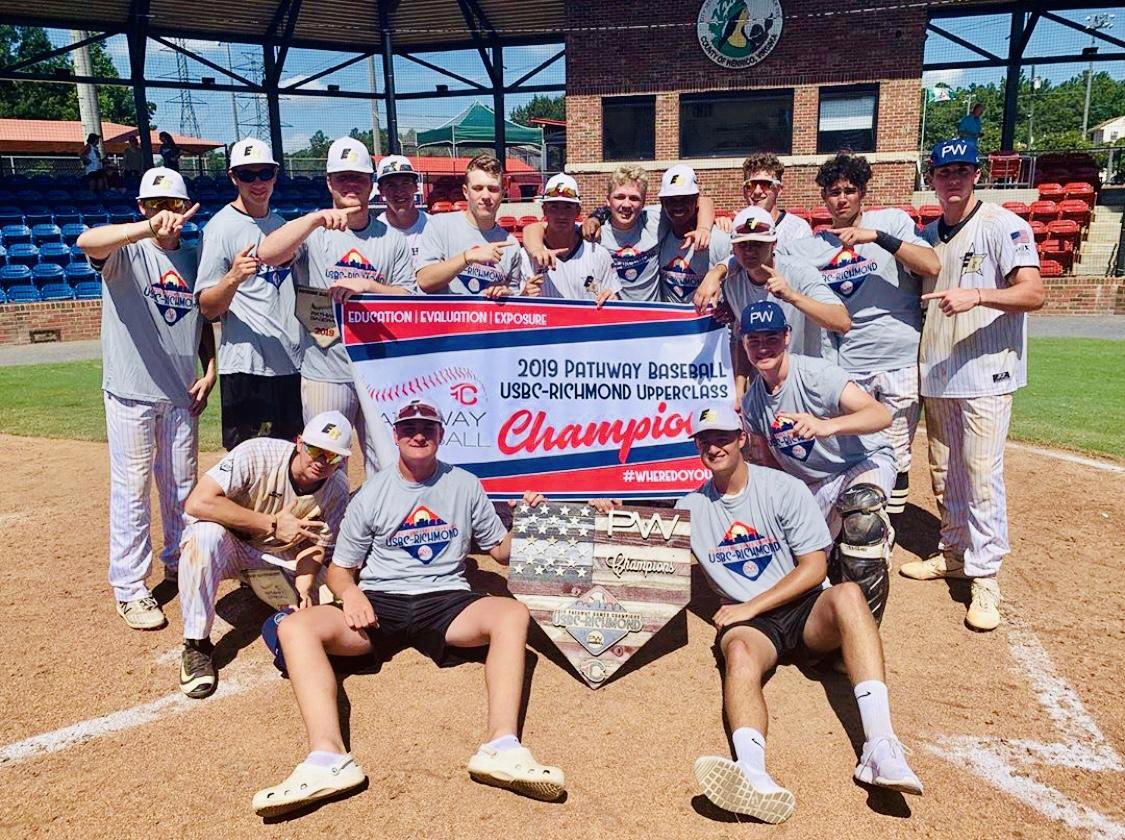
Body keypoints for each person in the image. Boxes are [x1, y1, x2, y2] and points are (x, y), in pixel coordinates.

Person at [252, 398, 564, 817]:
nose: (419, 435)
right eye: (410, 428)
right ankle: (328, 759)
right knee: (295, 629)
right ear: (396, 435)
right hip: (382, 601)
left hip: (447, 600)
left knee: (512, 614)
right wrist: (352, 594)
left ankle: (502, 747)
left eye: (428, 428)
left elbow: (501, 552)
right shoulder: (373, 493)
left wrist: (529, 520)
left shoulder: (466, 485)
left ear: (440, 435)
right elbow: (341, 570)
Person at [675, 403, 922, 823]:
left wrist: (749, 605)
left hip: (801, 609)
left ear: (741, 440)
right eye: (705, 440)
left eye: (722, 437)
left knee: (847, 595)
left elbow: (814, 568)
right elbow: (645, 545)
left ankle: (880, 747)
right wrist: (609, 516)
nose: (713, 446)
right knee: (737, 655)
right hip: (752, 626)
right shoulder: (691, 507)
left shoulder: (782, 488)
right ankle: (751, 773)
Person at [899, 139, 1044, 632]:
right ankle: (955, 551)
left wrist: (978, 294)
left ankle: (985, 575)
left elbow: (1034, 292)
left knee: (981, 472)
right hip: (939, 371)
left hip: (987, 371)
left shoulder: (1004, 225)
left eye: (962, 170)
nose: (953, 179)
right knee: (944, 471)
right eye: (944, 172)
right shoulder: (929, 236)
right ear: (932, 179)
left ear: (977, 175)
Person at [76, 167, 216, 630]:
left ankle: (179, 561)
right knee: (132, 488)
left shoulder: (194, 257)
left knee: (180, 487)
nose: (164, 215)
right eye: (154, 206)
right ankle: (131, 587)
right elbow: (86, 242)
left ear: (186, 208)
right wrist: (146, 229)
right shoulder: (124, 252)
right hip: (130, 392)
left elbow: (203, 321)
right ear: (141, 208)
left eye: (172, 206)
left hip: (179, 393)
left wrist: (210, 369)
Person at [782, 153, 940, 518]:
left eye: (849, 191)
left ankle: (883, 533)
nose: (841, 199)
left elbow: (931, 264)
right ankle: (861, 528)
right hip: (846, 364)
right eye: (833, 192)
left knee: (897, 451)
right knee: (856, 449)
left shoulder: (891, 222)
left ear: (862, 192)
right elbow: (762, 257)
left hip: (897, 358)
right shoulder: (814, 246)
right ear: (824, 198)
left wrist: (877, 238)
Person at [258, 136, 415, 480]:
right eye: (342, 177)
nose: (350, 184)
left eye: (358, 177)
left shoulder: (390, 240)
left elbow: (408, 298)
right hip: (324, 369)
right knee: (324, 465)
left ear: (371, 184)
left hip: (378, 371)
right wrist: (314, 220)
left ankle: (378, 531)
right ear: (329, 182)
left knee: (385, 463)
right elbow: (267, 254)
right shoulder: (312, 233)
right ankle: (329, 533)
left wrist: (370, 286)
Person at [177, 410, 352, 699]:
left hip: (280, 558)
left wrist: (304, 586)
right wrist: (269, 523)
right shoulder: (257, 453)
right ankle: (196, 645)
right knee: (204, 537)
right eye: (316, 450)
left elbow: (317, 544)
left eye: (332, 457)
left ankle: (268, 588)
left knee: (326, 601)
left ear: (342, 460)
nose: (321, 462)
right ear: (299, 443)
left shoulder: (337, 489)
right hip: (232, 545)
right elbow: (197, 502)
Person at [738, 301, 896, 622]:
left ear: (787, 337)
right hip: (816, 482)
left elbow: (881, 415)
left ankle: (862, 626)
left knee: (861, 513)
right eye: (753, 340)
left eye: (771, 338)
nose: (762, 347)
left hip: (862, 462)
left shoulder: (816, 374)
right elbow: (769, 466)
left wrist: (828, 425)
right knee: (794, 561)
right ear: (743, 343)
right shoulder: (754, 402)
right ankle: (838, 553)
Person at [197, 138, 304, 451]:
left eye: (264, 173)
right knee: (248, 465)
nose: (257, 182)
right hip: (246, 368)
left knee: (289, 461)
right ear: (233, 177)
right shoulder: (219, 229)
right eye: (247, 174)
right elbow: (207, 308)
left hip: (290, 365)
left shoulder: (282, 226)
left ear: (275, 174)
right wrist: (233, 277)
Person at [694, 207, 850, 399]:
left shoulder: (800, 273)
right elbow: (744, 339)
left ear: (773, 244)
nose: (750, 251)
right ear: (733, 248)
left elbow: (842, 322)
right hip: (768, 387)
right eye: (743, 245)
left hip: (811, 382)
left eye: (758, 244)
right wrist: (739, 387)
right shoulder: (732, 282)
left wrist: (791, 296)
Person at [521, 165, 718, 302]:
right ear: (607, 201)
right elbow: (535, 228)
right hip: (619, 316)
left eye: (634, 198)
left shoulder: (656, 220)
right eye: (619, 197)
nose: (626, 204)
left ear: (644, 202)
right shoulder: (593, 232)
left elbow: (703, 201)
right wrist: (538, 249)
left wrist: (703, 228)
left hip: (655, 318)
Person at [415, 153, 523, 297]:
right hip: (448, 318)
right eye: (478, 188)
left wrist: (506, 293)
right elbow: (424, 281)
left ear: (502, 194)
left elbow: (514, 293)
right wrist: (467, 258)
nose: (485, 196)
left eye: (493, 189)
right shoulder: (439, 225)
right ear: (466, 192)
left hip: (487, 318)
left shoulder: (511, 244)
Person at [520, 173, 618, 303]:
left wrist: (609, 298)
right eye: (554, 207)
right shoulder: (526, 256)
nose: (561, 215)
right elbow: (512, 310)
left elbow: (610, 300)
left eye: (568, 207)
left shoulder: (597, 254)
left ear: (578, 210)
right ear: (544, 209)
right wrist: (524, 297)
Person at [655, 164, 732, 304]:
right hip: (671, 323)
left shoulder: (718, 238)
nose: (678, 205)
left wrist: (717, 272)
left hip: (709, 323)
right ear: (662, 203)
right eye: (671, 200)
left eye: (685, 199)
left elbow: (742, 262)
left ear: (696, 201)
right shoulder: (659, 234)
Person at [740, 152, 813, 246]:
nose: (757, 191)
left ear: (779, 189)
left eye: (765, 184)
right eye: (751, 185)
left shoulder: (798, 231)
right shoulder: (737, 227)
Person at [375, 154, 428, 272]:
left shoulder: (433, 226)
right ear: (381, 191)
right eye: (391, 185)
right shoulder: (374, 233)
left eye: (405, 183)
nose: (399, 191)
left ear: (416, 187)